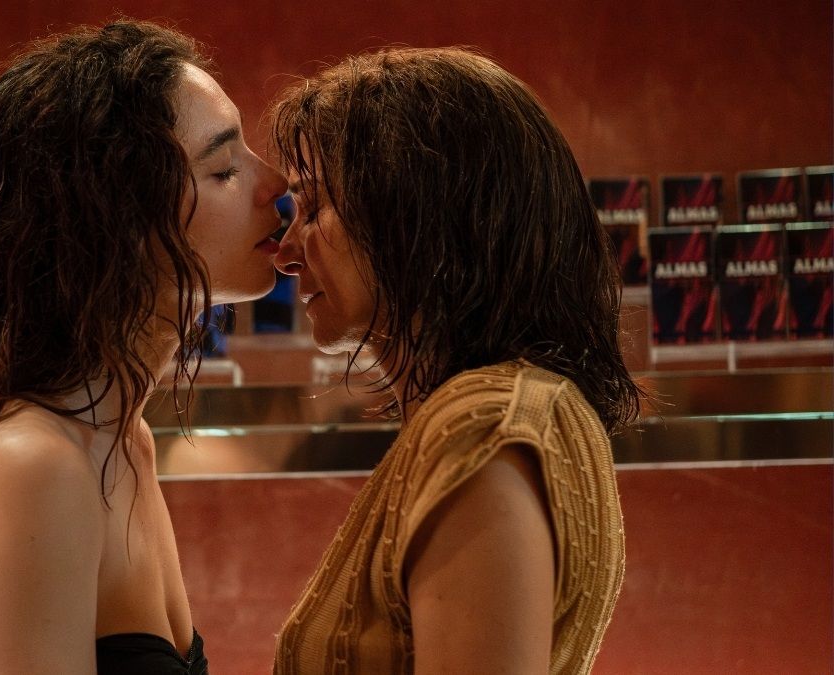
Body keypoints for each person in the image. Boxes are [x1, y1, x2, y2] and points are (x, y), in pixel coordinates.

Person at [0, 20, 288, 675]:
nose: (274, 182)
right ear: (115, 223)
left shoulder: (123, 438)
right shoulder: (32, 464)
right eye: (222, 169)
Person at [269, 47, 641, 674]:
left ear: (415, 210)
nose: (285, 252)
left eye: (312, 207)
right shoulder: (521, 407)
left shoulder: (485, 423)